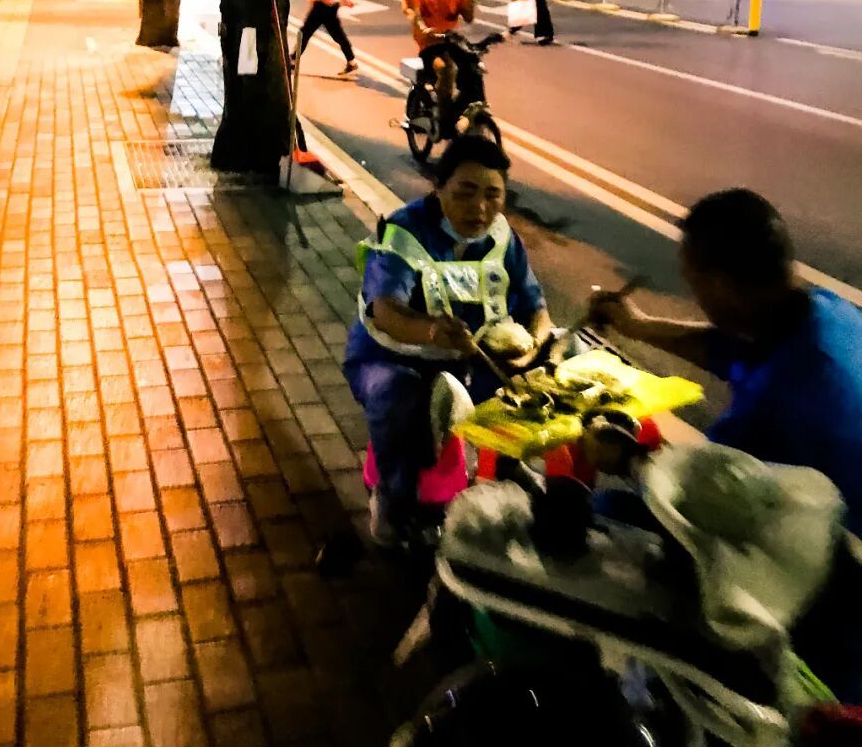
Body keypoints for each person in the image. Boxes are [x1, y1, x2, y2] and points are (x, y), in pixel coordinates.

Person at [590, 189, 862, 536]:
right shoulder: (825, 310)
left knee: (604, 512)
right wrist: (637, 326)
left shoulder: (779, 399)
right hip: (807, 503)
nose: (695, 296)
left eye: (694, 283)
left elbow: (704, 494)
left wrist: (628, 459)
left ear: (721, 286)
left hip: (822, 546)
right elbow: (729, 348)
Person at [344, 136, 554, 546]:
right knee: (398, 396)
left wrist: (532, 344)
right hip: (395, 356)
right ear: (439, 187)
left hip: (472, 359)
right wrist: (432, 331)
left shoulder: (503, 237)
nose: (480, 208)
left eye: (493, 195)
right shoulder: (404, 232)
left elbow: (536, 306)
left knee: (532, 386)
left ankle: (507, 464)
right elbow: (385, 310)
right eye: (466, 192)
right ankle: (392, 496)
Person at [401, 0, 481, 133]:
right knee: (447, 70)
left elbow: (468, 17)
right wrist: (423, 28)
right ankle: (444, 120)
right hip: (430, 45)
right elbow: (414, 15)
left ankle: (464, 110)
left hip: (452, 42)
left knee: (474, 68)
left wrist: (470, 4)